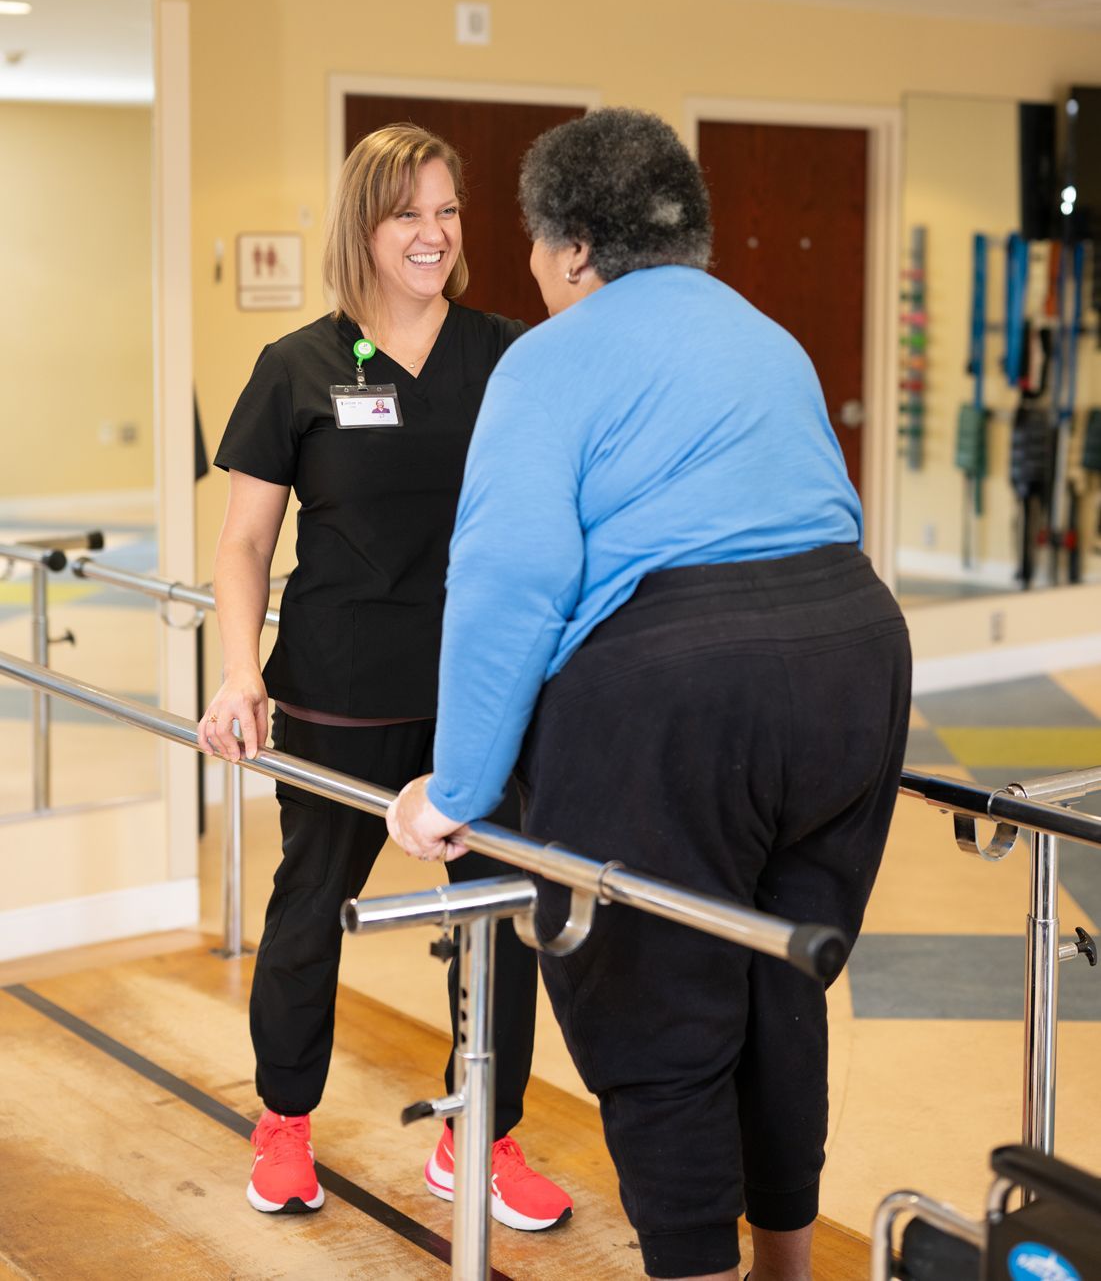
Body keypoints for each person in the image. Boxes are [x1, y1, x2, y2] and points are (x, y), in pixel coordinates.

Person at [387, 108, 911, 1281]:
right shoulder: (764, 334)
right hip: (854, 654)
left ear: (574, 250)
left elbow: (509, 584)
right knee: (779, 978)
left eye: (529, 242)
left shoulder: (550, 355)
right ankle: (785, 1264)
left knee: (660, 1013)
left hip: (675, 684)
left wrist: (455, 788)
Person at [199, 122, 572, 1232]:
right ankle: (284, 1122)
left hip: (482, 687)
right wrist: (235, 672)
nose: (433, 232)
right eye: (409, 210)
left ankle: (480, 1133)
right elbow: (243, 545)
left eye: (449, 210)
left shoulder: (505, 352)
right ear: (364, 223)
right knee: (312, 904)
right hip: (334, 686)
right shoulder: (300, 366)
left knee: (504, 909)